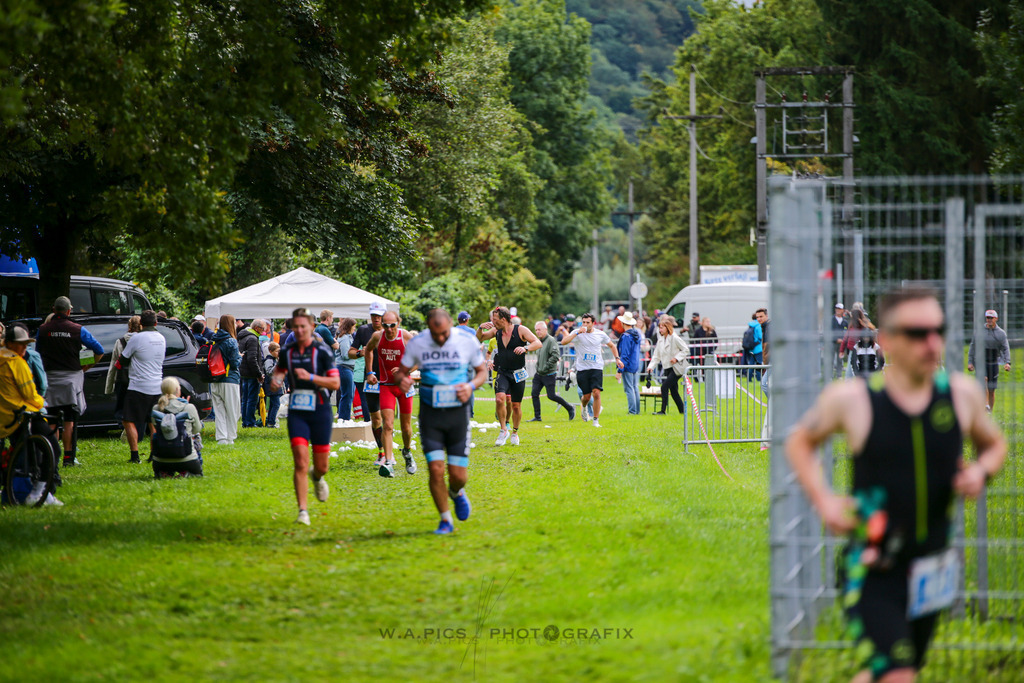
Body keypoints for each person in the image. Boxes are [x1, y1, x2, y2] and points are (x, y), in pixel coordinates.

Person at [785, 287, 1007, 683]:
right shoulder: (852, 399)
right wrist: (825, 501)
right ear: (885, 339)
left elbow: (994, 446)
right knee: (899, 675)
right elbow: (800, 442)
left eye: (937, 330)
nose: (932, 342)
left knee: (892, 671)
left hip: (934, 567)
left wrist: (979, 472)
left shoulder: (961, 395)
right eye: (917, 332)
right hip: (873, 564)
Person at [392, 309, 487, 535]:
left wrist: (471, 386)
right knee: (435, 470)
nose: (441, 339)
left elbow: (481, 371)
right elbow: (401, 372)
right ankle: (445, 520)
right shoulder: (418, 343)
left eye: (444, 333)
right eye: (436, 335)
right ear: (428, 329)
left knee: (458, 476)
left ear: (451, 324)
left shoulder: (466, 341)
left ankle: (456, 493)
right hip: (431, 415)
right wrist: (402, 380)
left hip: (457, 415)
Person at [269, 308, 340, 526]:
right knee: (300, 461)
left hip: (320, 410)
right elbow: (280, 370)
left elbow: (335, 383)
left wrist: (310, 377)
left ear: (311, 326)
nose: (299, 330)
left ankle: (317, 477)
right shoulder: (288, 351)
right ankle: (303, 511)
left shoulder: (322, 351)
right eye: (296, 327)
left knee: (322, 466)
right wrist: (277, 380)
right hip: (298, 411)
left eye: (303, 326)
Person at [35, 295, 105, 466]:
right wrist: (87, 366)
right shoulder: (77, 329)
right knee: (69, 422)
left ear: (54, 310)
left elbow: (37, 353)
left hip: (50, 381)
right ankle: (69, 458)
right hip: (71, 382)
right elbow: (99, 349)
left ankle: (50, 457)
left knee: (51, 422)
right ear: (68, 310)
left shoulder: (43, 330)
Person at [1, 324, 63, 505]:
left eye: (26, 345)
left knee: (22, 455)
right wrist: (41, 403)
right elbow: (29, 392)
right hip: (23, 414)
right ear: (10, 344)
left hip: (5, 418)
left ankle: (14, 492)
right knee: (52, 448)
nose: (24, 348)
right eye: (21, 344)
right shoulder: (16, 362)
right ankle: (40, 491)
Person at [477, 306, 542, 445]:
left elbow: (538, 343)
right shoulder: (496, 331)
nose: (493, 322)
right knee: (500, 399)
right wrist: (480, 328)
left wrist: (525, 348)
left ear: (504, 319)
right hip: (503, 371)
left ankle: (515, 432)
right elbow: (480, 338)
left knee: (516, 405)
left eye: (495, 320)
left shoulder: (520, 330)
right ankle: (503, 430)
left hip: (518, 372)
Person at [363, 311, 416, 477]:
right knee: (388, 424)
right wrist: (370, 372)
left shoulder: (405, 336)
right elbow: (368, 350)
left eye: (392, 325)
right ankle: (388, 461)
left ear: (398, 323)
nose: (389, 329)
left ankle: (407, 452)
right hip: (386, 385)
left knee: (406, 428)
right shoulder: (378, 337)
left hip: (404, 386)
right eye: (385, 325)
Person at [559, 312, 623, 428]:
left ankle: (595, 420)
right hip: (582, 368)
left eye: (587, 322)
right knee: (586, 397)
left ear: (593, 323)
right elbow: (564, 342)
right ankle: (583, 407)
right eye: (583, 322)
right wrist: (577, 332)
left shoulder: (600, 334)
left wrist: (617, 359)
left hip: (596, 367)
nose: (585, 324)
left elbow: (612, 346)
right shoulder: (577, 332)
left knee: (597, 393)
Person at [118, 310, 166, 463]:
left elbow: (123, 360)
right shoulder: (161, 338)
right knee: (153, 422)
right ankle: (154, 454)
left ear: (140, 324)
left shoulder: (137, 339)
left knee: (128, 420)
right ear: (156, 323)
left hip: (138, 386)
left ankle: (135, 455)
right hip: (157, 386)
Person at [351, 302, 387, 460]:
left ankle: (389, 451)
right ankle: (381, 451)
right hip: (371, 379)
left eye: (379, 316)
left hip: (387, 379)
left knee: (388, 417)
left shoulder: (391, 330)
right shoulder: (364, 330)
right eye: (373, 316)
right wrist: (360, 353)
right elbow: (350, 352)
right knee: (375, 417)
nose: (376, 319)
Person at [150, 377, 204, 478]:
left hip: (160, 459)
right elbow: (197, 429)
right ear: (177, 390)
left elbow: (156, 427)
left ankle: (165, 472)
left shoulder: (156, 408)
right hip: (186, 457)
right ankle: (186, 473)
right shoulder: (188, 407)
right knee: (195, 436)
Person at [527, 320, 576, 422]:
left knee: (551, 396)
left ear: (545, 329)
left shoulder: (551, 340)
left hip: (549, 373)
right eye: (536, 330)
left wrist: (546, 366)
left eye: (539, 330)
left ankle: (570, 408)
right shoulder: (538, 341)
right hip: (539, 373)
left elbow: (555, 356)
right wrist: (539, 367)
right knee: (534, 393)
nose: (538, 332)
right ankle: (537, 417)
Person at [967, 309, 1011, 412]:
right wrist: (970, 362)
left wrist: (1007, 362)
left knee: (991, 390)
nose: (989, 320)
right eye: (987, 317)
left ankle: (989, 412)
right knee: (984, 380)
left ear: (996, 319)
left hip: (993, 362)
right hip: (981, 361)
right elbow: (973, 346)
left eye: (991, 318)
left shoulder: (1001, 334)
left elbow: (1005, 348)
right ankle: (985, 404)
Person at [210, 315, 242, 445]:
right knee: (232, 410)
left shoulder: (213, 339)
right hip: (229, 379)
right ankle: (230, 437)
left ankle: (222, 438)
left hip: (214, 378)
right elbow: (235, 363)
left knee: (219, 410)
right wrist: (240, 357)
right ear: (230, 324)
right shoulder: (231, 341)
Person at [647, 315, 689, 415]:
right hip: (667, 368)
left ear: (667, 327)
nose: (659, 329)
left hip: (676, 368)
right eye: (659, 327)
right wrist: (650, 367)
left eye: (661, 327)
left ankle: (663, 411)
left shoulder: (675, 338)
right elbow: (656, 356)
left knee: (664, 387)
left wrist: (676, 358)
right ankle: (682, 411)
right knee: (674, 391)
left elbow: (685, 349)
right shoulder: (660, 340)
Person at [104, 316, 142, 424]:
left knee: (121, 407)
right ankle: (136, 427)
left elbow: (113, 364)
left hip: (122, 379)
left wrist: (109, 386)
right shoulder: (143, 341)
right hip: (139, 378)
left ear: (129, 326)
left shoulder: (119, 342)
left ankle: (124, 426)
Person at [237, 319, 266, 429]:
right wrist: (259, 374)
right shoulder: (253, 338)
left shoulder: (244, 336)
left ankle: (245, 421)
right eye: (262, 329)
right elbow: (252, 359)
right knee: (252, 399)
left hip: (243, 372)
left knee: (245, 399)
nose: (263, 331)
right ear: (257, 328)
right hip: (251, 373)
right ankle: (250, 422)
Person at [616, 311, 643, 415]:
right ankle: (637, 410)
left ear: (623, 323)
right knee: (635, 387)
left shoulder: (626, 336)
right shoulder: (637, 334)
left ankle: (632, 411)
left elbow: (625, 354)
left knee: (629, 389)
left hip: (627, 365)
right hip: (635, 364)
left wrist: (620, 370)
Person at [846, 309, 883, 378]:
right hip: (861, 371)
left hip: (872, 372)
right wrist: (857, 374)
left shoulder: (875, 346)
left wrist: (876, 373)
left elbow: (881, 362)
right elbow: (853, 363)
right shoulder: (852, 326)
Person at [335, 318, 357, 420]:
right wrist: (358, 354)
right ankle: (344, 419)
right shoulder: (344, 338)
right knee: (347, 395)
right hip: (344, 368)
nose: (354, 328)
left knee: (348, 395)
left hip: (347, 368)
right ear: (349, 326)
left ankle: (344, 418)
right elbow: (345, 355)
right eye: (354, 326)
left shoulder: (347, 337)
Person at [263, 342, 284, 428]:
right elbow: (269, 371)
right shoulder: (269, 360)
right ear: (270, 351)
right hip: (271, 385)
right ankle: (271, 422)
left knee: (273, 404)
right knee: (276, 404)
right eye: (276, 351)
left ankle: (271, 421)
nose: (278, 353)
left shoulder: (275, 360)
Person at [742, 314, 764, 382]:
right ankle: (759, 379)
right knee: (758, 364)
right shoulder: (758, 326)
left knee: (751, 363)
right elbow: (760, 336)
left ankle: (749, 378)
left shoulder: (751, 325)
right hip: (758, 347)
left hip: (751, 348)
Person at [832, 303, 849, 379]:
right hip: (832, 343)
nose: (838, 310)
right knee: (830, 359)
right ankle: (830, 375)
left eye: (839, 309)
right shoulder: (831, 320)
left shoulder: (845, 322)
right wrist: (836, 339)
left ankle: (839, 375)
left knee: (840, 359)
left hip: (841, 344)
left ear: (843, 310)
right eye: (837, 309)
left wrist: (843, 340)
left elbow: (847, 332)